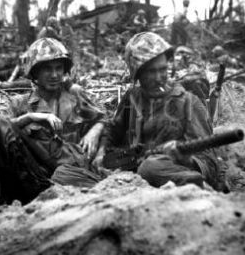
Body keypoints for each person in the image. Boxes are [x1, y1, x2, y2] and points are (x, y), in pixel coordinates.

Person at [0, 38, 105, 207]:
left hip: (66, 178)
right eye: (48, 69)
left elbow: (104, 118)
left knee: (64, 175)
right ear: (34, 73)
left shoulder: (74, 96)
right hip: (30, 177)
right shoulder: (20, 103)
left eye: (59, 68)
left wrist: (95, 131)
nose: (55, 75)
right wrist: (30, 117)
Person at [94, 32, 219, 189]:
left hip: (168, 171)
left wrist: (186, 159)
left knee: (150, 167)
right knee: (67, 171)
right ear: (137, 73)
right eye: (151, 72)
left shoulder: (187, 103)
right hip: (130, 171)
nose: (159, 77)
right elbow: (113, 130)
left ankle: (197, 187)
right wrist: (101, 152)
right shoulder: (133, 98)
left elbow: (210, 161)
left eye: (163, 69)